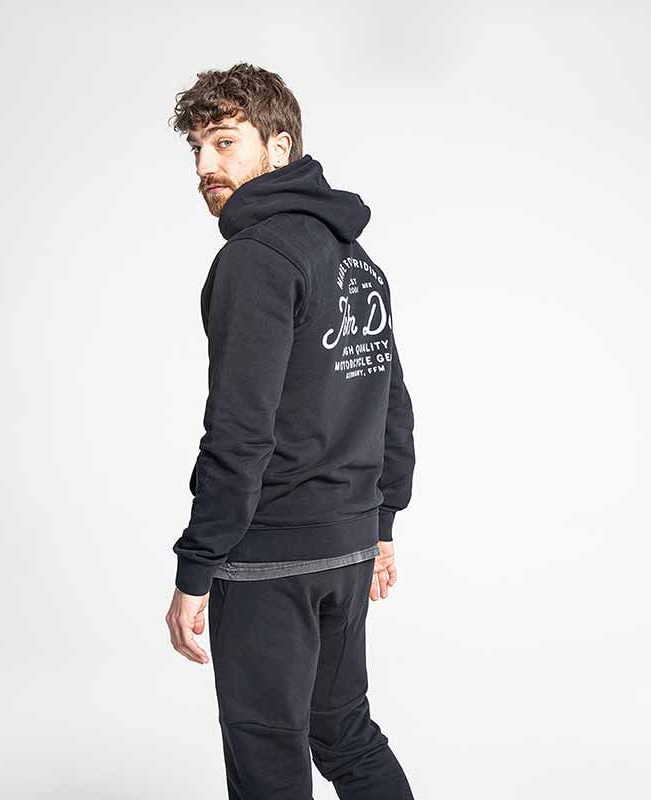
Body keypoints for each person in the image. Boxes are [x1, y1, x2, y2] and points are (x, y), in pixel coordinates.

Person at [164, 62, 416, 800]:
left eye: (224, 142)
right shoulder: (356, 261)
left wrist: (196, 566)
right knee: (345, 734)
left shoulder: (254, 260)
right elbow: (393, 404)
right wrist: (380, 524)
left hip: (271, 556)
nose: (205, 165)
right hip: (346, 546)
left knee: (267, 760)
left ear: (278, 148)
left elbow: (239, 431)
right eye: (197, 148)